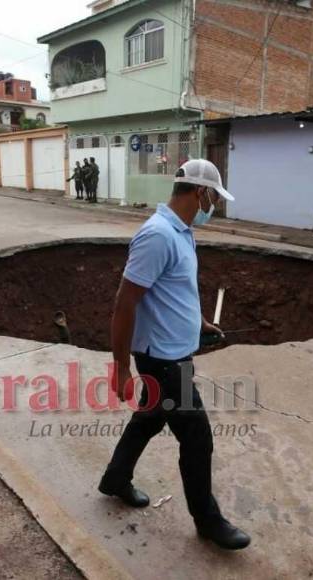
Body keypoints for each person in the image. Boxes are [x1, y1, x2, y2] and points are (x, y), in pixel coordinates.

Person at [99, 159, 251, 551]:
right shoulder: (157, 236)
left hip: (173, 352)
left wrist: (198, 321)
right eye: (214, 195)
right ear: (200, 192)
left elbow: (175, 289)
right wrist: (120, 368)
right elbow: (125, 303)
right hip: (164, 361)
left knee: (149, 419)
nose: (215, 203)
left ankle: (116, 478)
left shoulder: (182, 232)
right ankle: (208, 521)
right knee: (197, 439)